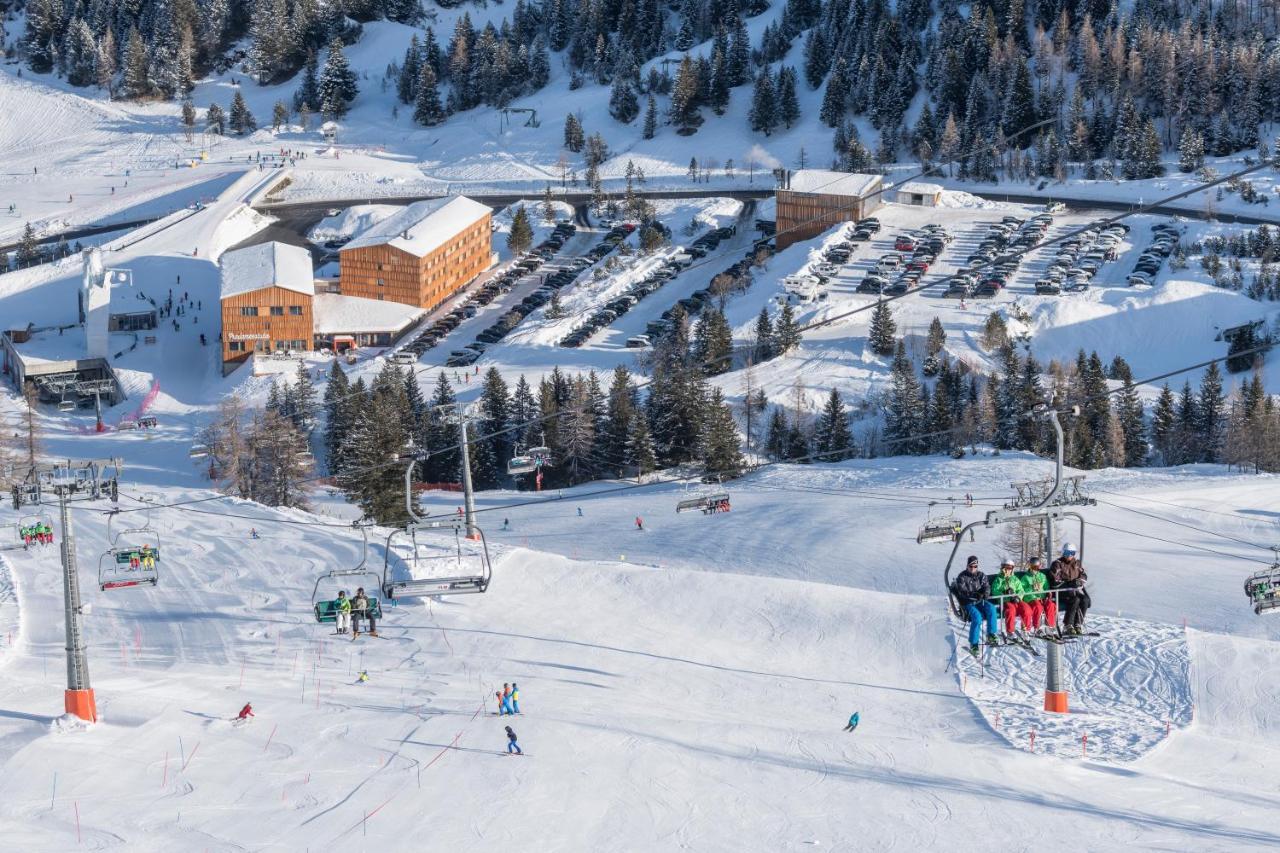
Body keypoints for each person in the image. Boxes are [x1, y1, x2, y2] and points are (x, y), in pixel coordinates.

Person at [950, 556, 999, 655]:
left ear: (977, 566)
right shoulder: (962, 577)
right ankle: (974, 644)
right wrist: (974, 595)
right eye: (971, 566)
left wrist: (985, 594)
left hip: (980, 601)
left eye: (975, 566)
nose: (973, 568)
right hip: (968, 603)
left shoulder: (981, 575)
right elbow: (962, 592)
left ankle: (991, 634)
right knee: (977, 617)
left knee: (992, 608)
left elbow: (987, 587)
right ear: (967, 566)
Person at [1050, 543, 1089, 635]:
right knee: (1075, 599)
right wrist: (1069, 584)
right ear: (1063, 553)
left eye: (1072, 553)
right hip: (1060, 591)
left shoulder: (1076, 564)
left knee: (1085, 600)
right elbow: (1055, 580)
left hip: (1073, 591)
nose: (1069, 556)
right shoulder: (1058, 564)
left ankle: (1077, 624)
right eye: (1067, 553)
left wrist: (1079, 581)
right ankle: (1068, 625)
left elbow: (1083, 575)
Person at [990, 559, 1031, 638]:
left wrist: (1018, 597)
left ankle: (1025, 629)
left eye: (1010, 568)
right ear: (1002, 568)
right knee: (1011, 610)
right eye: (1006, 568)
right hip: (1006, 601)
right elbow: (994, 591)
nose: (1008, 570)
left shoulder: (1015, 579)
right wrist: (1004, 594)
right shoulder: (999, 579)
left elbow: (1021, 590)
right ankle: (1010, 631)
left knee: (1026, 609)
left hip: (1016, 600)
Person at [1019, 556, 1058, 634]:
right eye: (1033, 567)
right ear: (1030, 567)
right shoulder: (1025, 577)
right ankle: (1037, 627)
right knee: (1038, 606)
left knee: (1051, 605)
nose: (1034, 569)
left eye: (1037, 567)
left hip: (1042, 597)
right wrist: (1031, 588)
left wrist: (1048, 593)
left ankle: (1050, 626)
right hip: (1031, 599)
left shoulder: (1042, 576)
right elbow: (1022, 590)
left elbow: (1046, 587)